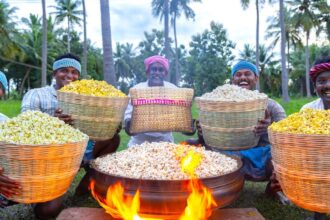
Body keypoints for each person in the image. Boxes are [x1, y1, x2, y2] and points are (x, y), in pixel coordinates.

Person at [20, 53, 120, 218]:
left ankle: (86, 185)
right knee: (48, 211)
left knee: (112, 139)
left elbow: (96, 124)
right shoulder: (37, 94)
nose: (69, 76)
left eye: (74, 72)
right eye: (64, 70)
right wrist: (53, 122)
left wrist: (110, 124)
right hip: (52, 157)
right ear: (54, 73)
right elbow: (25, 126)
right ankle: (50, 188)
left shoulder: (87, 98)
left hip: (80, 151)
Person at [188, 60, 286, 198]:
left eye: (248, 74)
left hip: (260, 155)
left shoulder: (271, 106)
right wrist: (204, 131)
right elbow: (204, 140)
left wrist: (270, 128)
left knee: (281, 158)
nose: (243, 78)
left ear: (256, 78)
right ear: (232, 79)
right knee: (190, 145)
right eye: (238, 74)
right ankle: (205, 190)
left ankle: (273, 188)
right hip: (225, 151)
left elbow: (286, 135)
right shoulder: (218, 104)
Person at [124, 55, 178, 147]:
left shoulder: (173, 90)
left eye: (160, 70)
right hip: (139, 143)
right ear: (148, 72)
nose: (157, 73)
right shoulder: (136, 90)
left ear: (165, 73)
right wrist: (129, 123)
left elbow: (180, 118)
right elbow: (128, 119)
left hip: (165, 142)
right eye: (153, 69)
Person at [301, 56, 330, 220]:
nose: (328, 85)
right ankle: (318, 214)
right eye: (322, 81)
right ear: (315, 86)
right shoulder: (308, 109)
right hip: (319, 161)